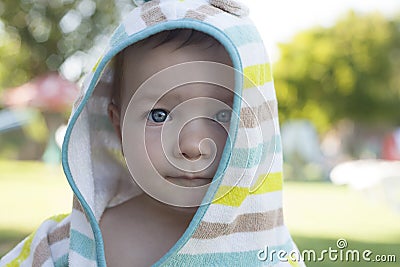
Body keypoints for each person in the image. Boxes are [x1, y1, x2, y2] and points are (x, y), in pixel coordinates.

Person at [0, 0, 304, 266]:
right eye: (160, 115)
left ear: (257, 127)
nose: (193, 145)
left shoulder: (271, 255)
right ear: (118, 127)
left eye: (222, 115)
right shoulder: (59, 249)